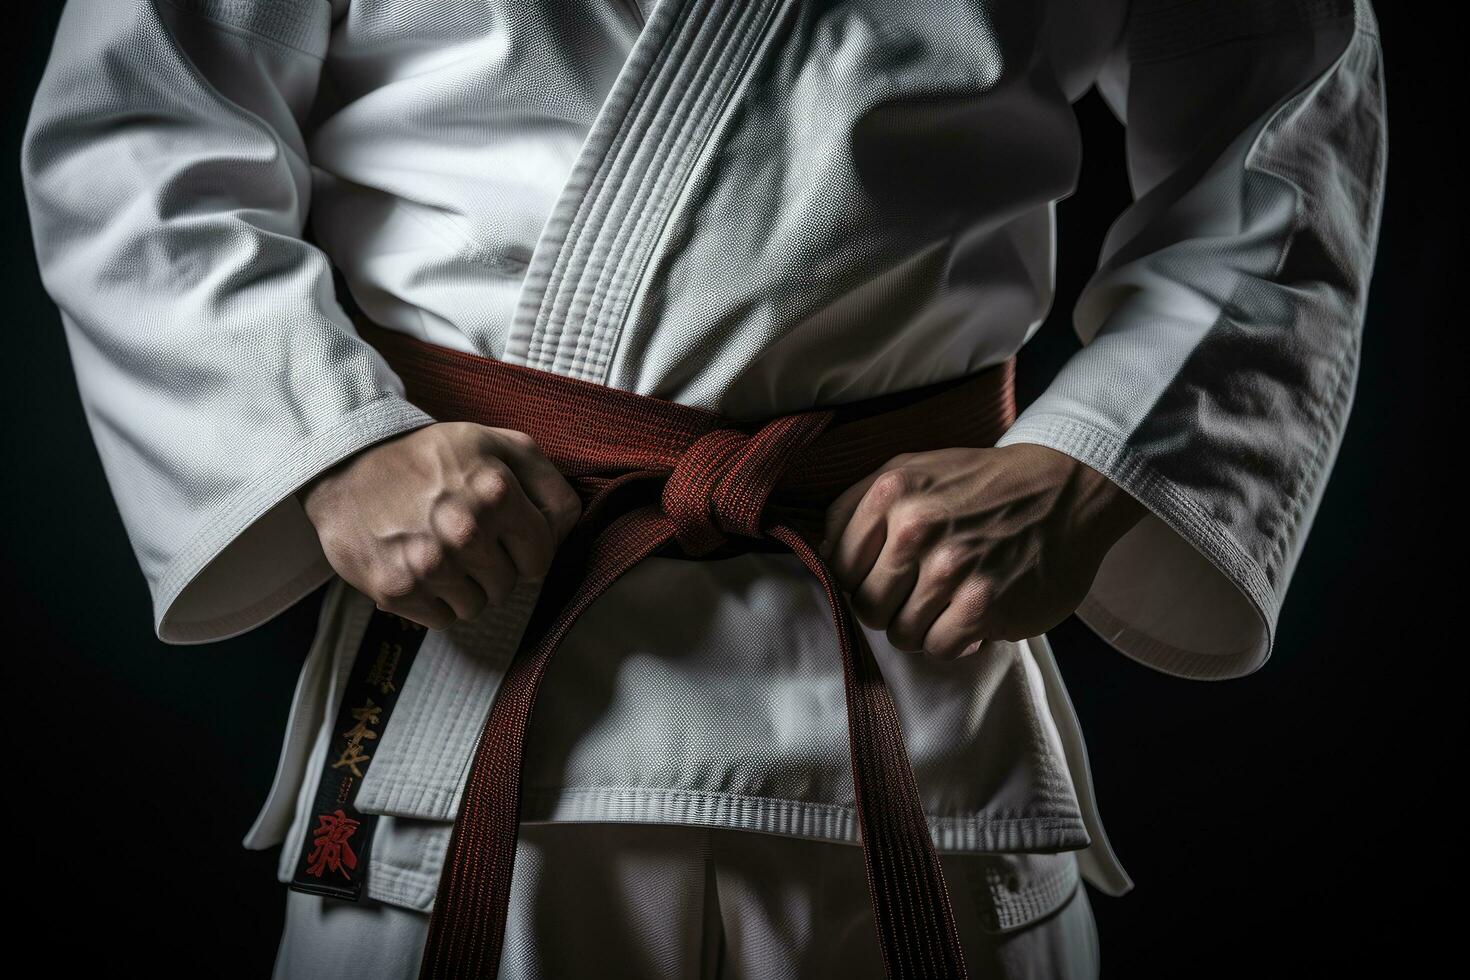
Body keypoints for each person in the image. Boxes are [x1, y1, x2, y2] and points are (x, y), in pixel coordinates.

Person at [18, 1, 1387, 977]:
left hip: (909, 670)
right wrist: (328, 442)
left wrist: (1087, 473)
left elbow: (1284, 132)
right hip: (480, 655)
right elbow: (141, 128)